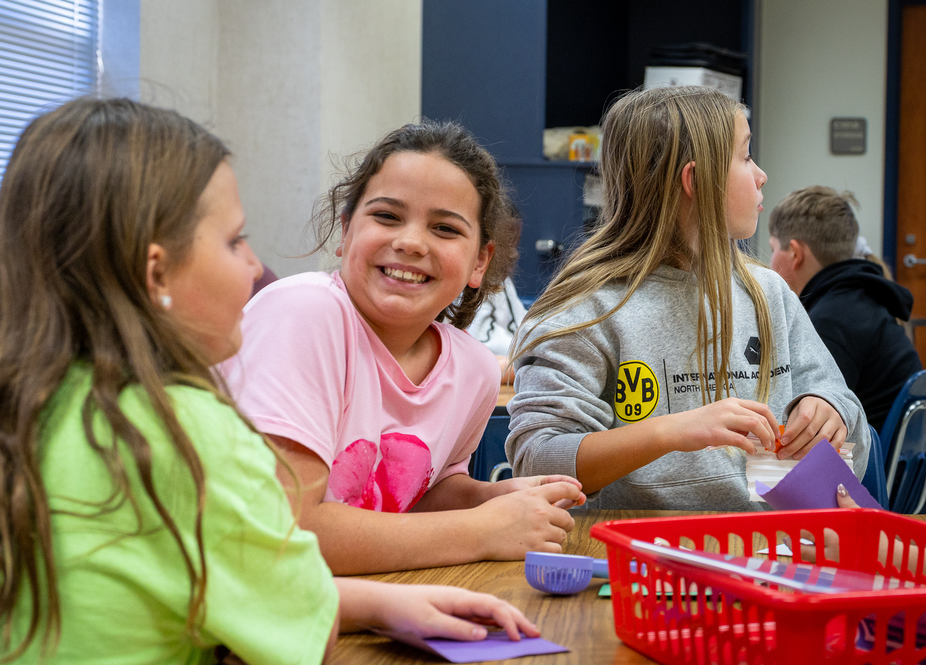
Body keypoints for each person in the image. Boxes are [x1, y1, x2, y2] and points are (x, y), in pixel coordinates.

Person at [0, 99, 540, 665]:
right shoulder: (189, 433)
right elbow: (297, 639)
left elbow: (191, 583)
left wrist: (385, 596)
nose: (254, 267)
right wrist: (468, 538)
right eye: (236, 241)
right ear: (157, 273)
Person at [221, 121, 586, 576]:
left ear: (480, 262)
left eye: (445, 228)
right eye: (387, 216)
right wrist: (482, 530)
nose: (410, 242)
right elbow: (282, 531)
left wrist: (492, 498)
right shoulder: (303, 312)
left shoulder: (473, 368)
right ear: (346, 230)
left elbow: (418, 495)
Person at [505, 86, 870, 512]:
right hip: (636, 556)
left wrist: (831, 410)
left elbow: (852, 425)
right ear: (695, 181)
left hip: (768, 546)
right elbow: (535, 463)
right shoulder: (587, 308)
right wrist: (669, 432)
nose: (761, 175)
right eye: (746, 155)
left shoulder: (768, 291)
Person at [768, 185, 922, 434]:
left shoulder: (830, 321)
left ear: (795, 253)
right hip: (899, 466)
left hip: (867, 468)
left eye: (774, 248)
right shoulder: (861, 299)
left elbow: (799, 423)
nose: (771, 260)